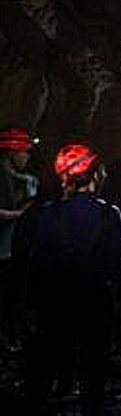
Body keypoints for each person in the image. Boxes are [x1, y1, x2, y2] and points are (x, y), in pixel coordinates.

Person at [13, 144, 121, 416]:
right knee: (93, 370)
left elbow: (36, 261)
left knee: (45, 367)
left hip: (54, 298)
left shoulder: (47, 213)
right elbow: (117, 265)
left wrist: (28, 302)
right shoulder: (108, 214)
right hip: (95, 301)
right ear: (93, 175)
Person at [0, 127, 38, 349]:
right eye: (24, 151)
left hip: (11, 247)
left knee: (13, 293)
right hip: (4, 249)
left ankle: (12, 335)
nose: (27, 155)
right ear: (11, 152)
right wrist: (20, 213)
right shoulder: (4, 176)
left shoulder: (17, 177)